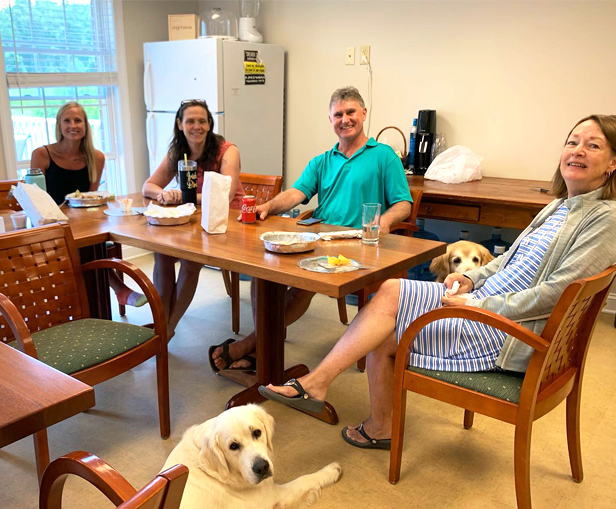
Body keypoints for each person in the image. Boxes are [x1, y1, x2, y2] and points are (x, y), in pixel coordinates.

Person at [259, 114, 616, 449]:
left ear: (613, 162)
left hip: (504, 329)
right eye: (573, 141)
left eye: (594, 145)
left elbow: (559, 296)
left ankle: (345, 404)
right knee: (389, 292)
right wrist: (471, 278)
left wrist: (477, 304)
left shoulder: (604, 220)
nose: (578, 150)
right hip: (486, 303)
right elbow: (509, 260)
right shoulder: (559, 207)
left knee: (382, 331)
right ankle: (324, 388)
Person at [210, 86, 412, 372]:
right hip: (316, 236)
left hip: (356, 242)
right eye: (338, 114)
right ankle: (265, 346)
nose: (345, 119)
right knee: (260, 270)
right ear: (330, 120)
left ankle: (252, 345)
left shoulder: (384, 156)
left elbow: (403, 203)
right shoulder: (322, 160)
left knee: (300, 287)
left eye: (351, 112)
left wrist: (386, 221)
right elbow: (296, 193)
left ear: (364, 114)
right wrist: (267, 207)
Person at [143, 99, 244, 339]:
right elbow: (148, 186)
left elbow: (226, 194)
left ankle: (168, 328)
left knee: (190, 261)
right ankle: (162, 321)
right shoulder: (177, 152)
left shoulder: (227, 150)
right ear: (180, 124)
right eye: (190, 121)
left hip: (227, 218)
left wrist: (185, 198)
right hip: (193, 218)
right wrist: (165, 194)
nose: (196, 126)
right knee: (162, 254)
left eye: (202, 121)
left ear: (210, 124)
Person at [30, 102, 146, 308]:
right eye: (67, 120)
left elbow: (89, 198)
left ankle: (96, 303)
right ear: (59, 124)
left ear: (85, 125)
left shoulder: (96, 157)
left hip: (82, 221)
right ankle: (117, 289)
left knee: (90, 240)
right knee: (80, 245)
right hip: (50, 223)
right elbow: (35, 198)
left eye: (78, 120)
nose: (72, 125)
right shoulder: (42, 154)